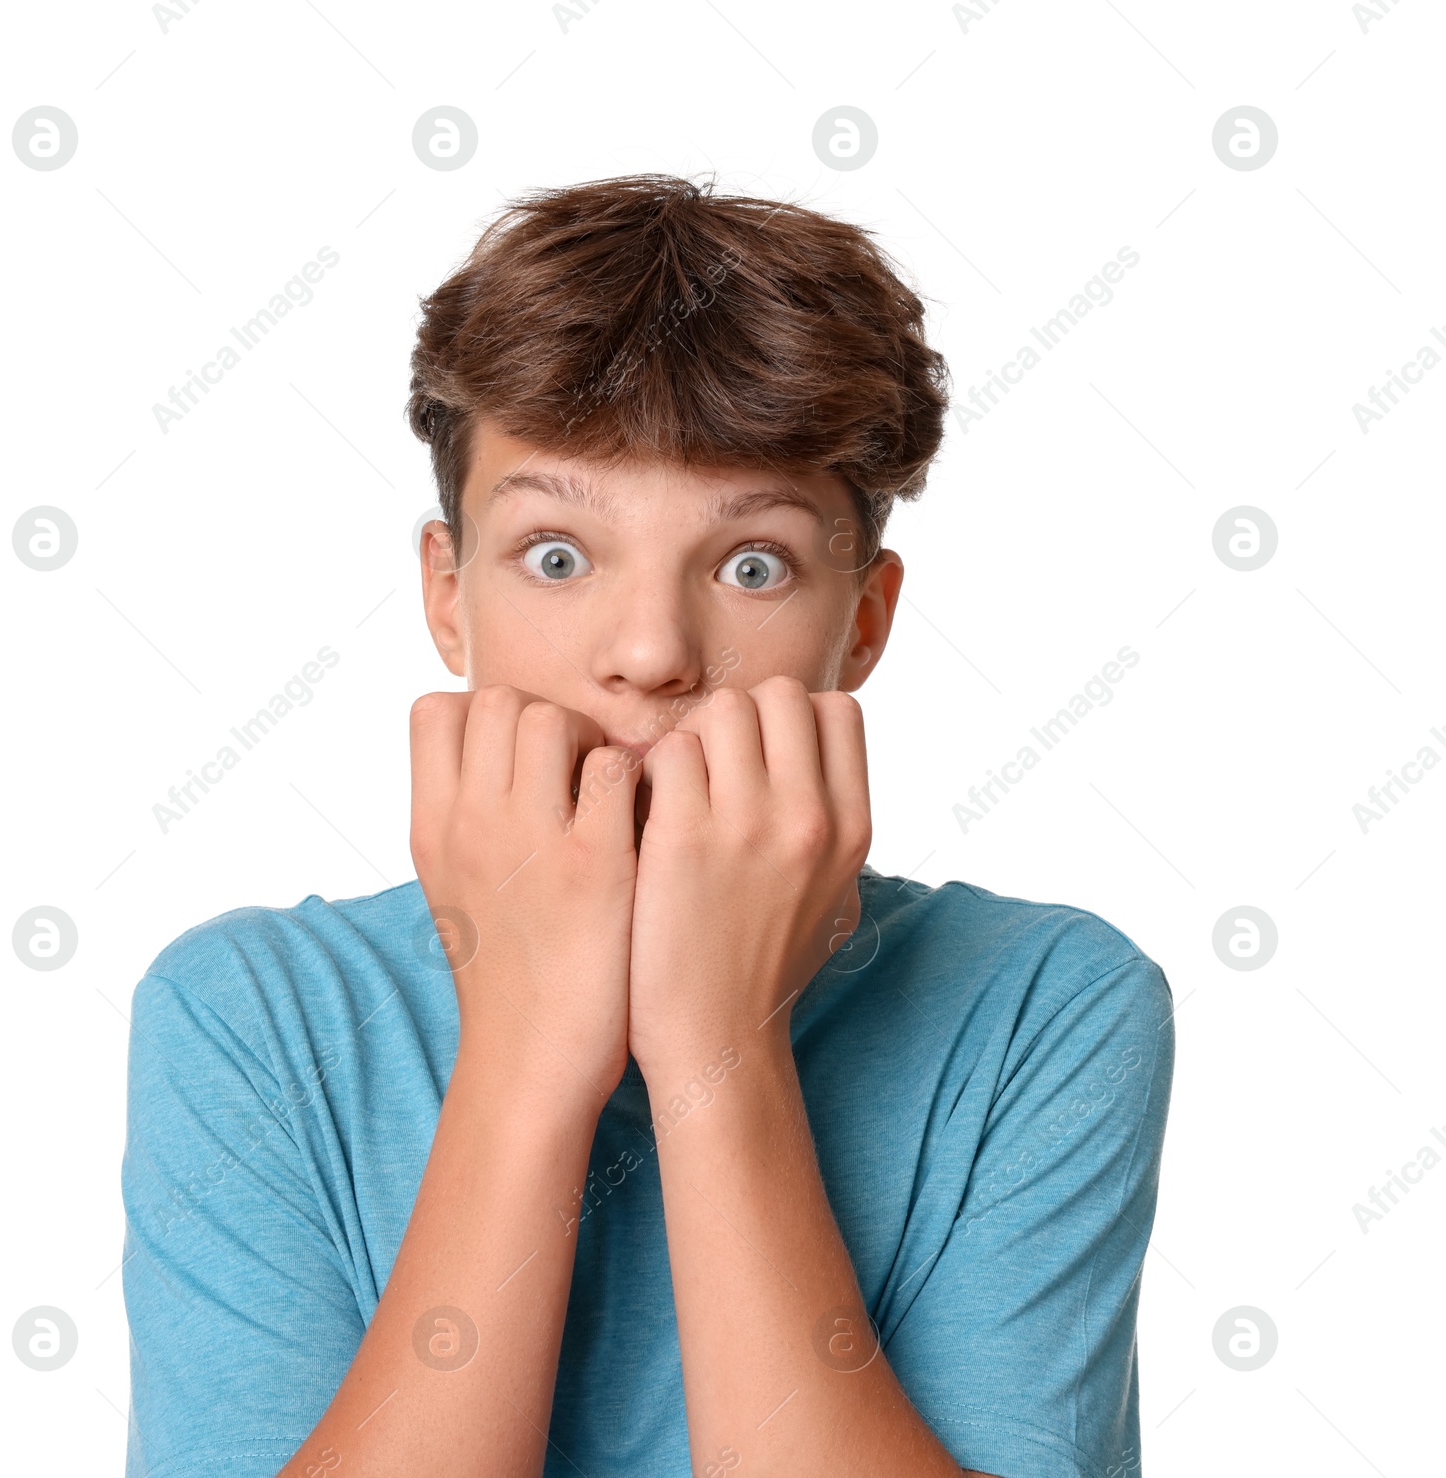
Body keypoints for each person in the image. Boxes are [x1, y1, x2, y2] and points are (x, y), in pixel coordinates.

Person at [120, 174, 1175, 1478]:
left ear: (863, 618)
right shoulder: (250, 1017)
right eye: (557, 554)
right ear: (450, 598)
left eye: (751, 565)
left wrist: (715, 1046)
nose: (651, 653)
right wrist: (525, 1048)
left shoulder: (1043, 1006)